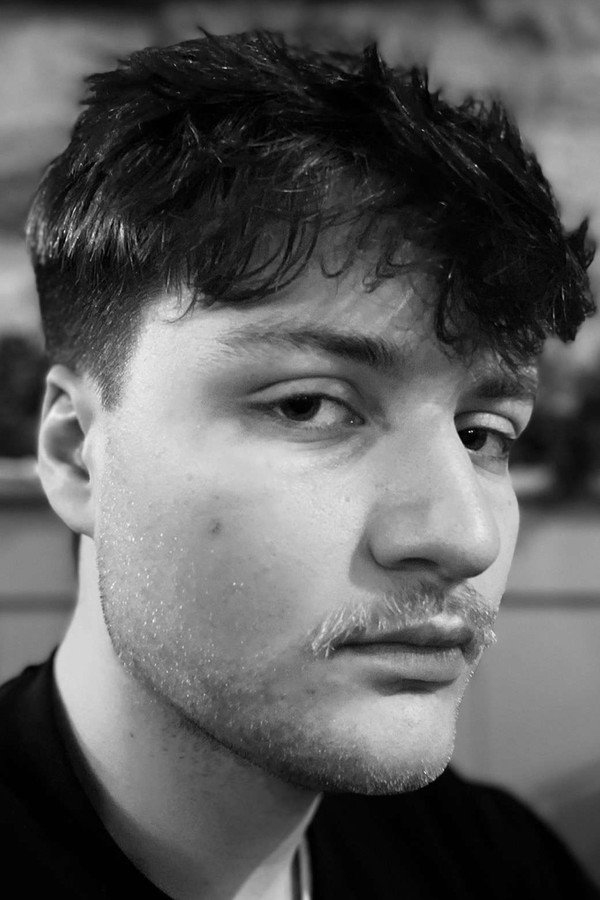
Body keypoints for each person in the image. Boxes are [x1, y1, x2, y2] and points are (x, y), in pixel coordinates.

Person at [1, 29, 598, 900]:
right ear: (75, 451)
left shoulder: (499, 864)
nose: (464, 538)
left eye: (482, 435)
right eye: (308, 406)